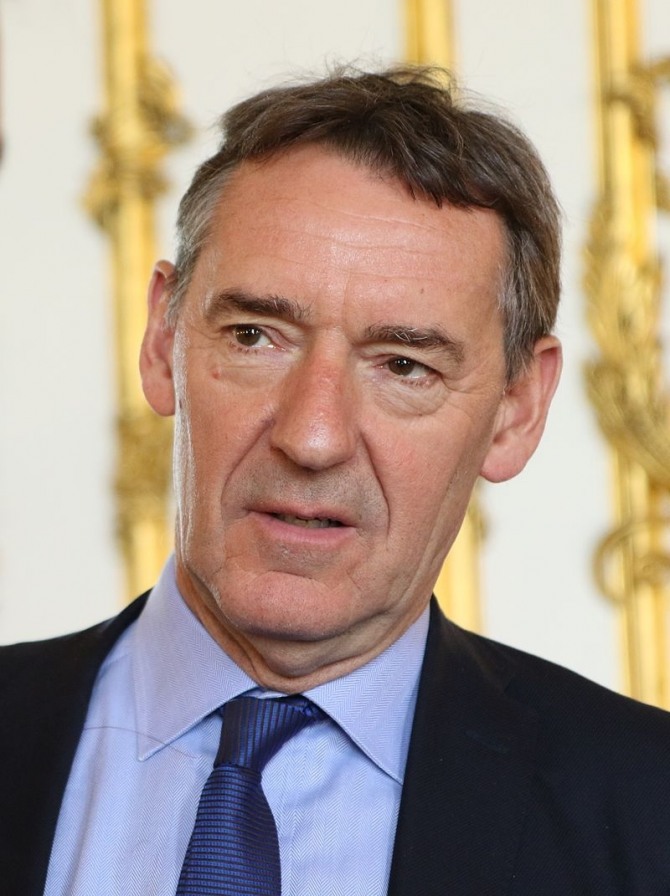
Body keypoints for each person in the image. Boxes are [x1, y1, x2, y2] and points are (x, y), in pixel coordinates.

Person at [2, 65, 670, 896]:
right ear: (162, 341)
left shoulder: (649, 814)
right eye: (254, 335)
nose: (312, 437)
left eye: (403, 364)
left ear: (517, 409)